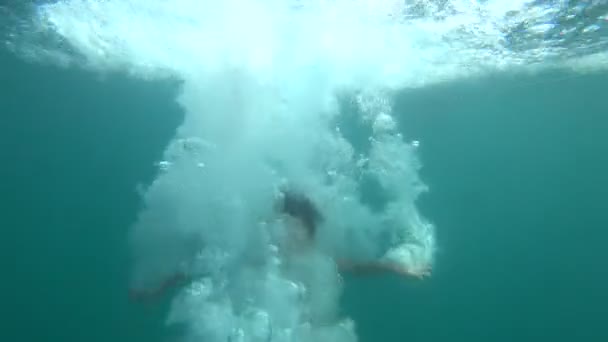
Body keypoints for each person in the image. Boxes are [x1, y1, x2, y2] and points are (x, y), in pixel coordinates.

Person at [129, 188, 430, 302]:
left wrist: (400, 268)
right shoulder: (262, 257)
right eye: (286, 226)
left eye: (298, 228)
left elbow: (360, 267)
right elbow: (203, 269)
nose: (291, 235)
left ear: (309, 231)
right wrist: (159, 287)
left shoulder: (317, 259)